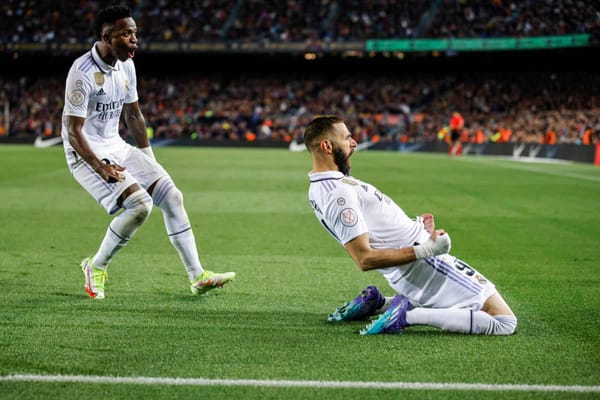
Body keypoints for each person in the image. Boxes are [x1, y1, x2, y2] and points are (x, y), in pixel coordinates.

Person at [61, 5, 234, 299]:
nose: (134, 39)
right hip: (85, 153)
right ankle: (96, 266)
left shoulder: (126, 64)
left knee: (172, 195)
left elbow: (134, 115)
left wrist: (148, 160)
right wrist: (101, 167)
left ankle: (198, 276)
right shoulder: (82, 72)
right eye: (126, 33)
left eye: (135, 33)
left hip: (116, 145)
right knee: (140, 206)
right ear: (107, 36)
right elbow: (73, 130)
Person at [303, 115, 516, 335]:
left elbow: (377, 226)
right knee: (503, 321)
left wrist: (417, 228)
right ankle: (406, 316)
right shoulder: (338, 193)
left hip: (410, 268)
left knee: (456, 306)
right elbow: (364, 258)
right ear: (327, 146)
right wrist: (427, 249)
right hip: (425, 267)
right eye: (347, 138)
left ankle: (378, 303)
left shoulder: (323, 186)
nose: (354, 142)